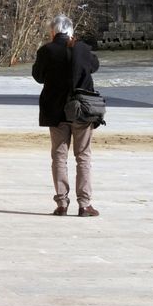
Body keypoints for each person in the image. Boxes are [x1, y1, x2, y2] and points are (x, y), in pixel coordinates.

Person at [32, 14, 101, 217]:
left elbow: (37, 76)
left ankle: (62, 203)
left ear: (53, 31)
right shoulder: (82, 49)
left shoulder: (46, 51)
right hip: (82, 109)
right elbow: (95, 67)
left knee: (59, 156)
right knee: (83, 156)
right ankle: (84, 204)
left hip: (56, 110)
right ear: (71, 31)